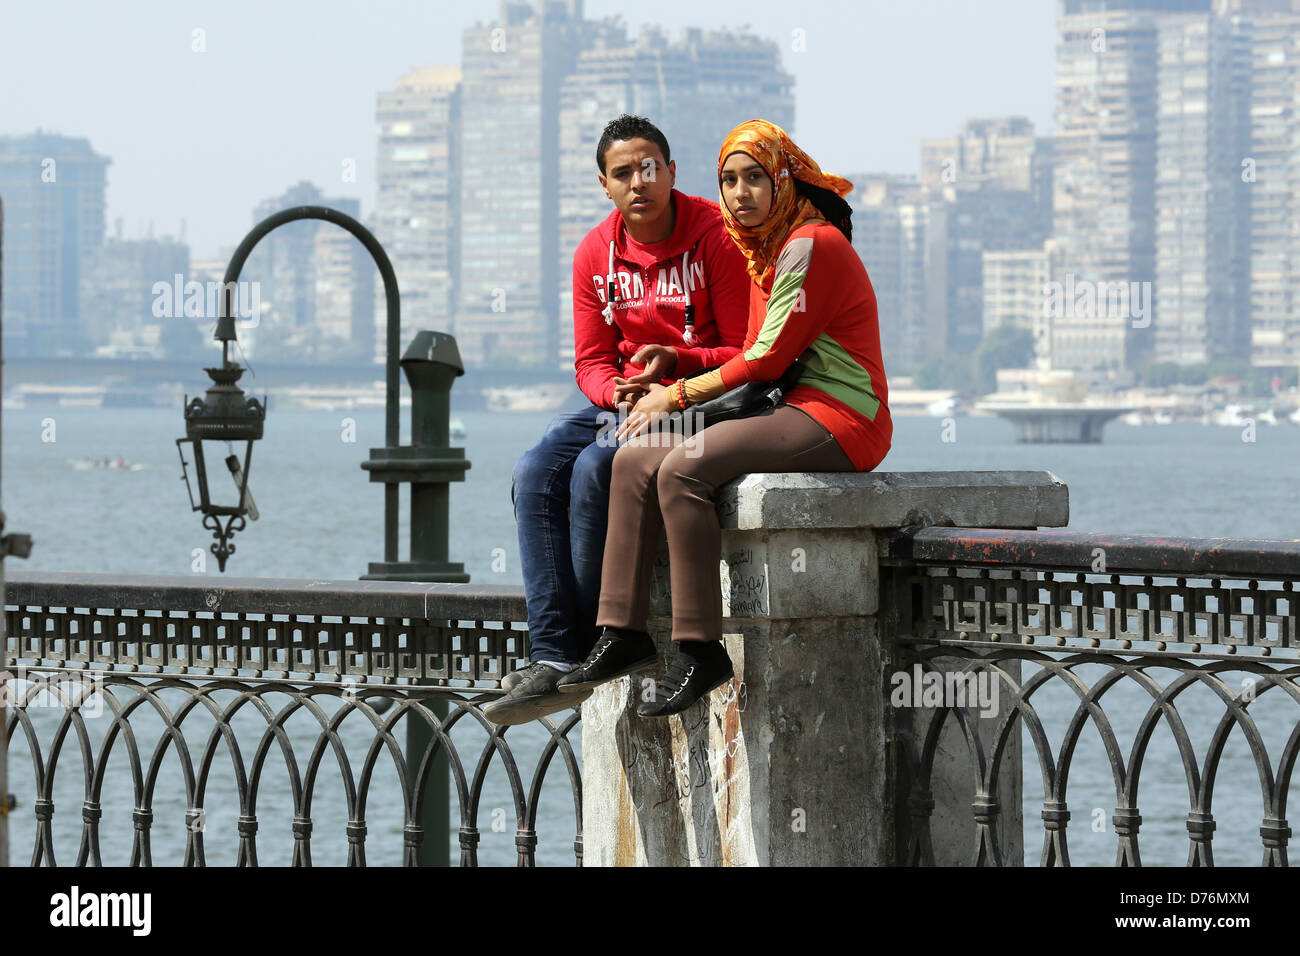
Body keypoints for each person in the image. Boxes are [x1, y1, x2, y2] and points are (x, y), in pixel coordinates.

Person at [555, 119, 893, 717]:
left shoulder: (810, 246)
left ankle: (699, 647)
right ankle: (621, 633)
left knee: (684, 468)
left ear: (784, 179)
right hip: (784, 407)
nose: (740, 194)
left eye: (755, 178)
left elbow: (765, 359)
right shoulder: (761, 249)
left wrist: (675, 394)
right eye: (729, 180)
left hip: (842, 415)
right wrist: (677, 357)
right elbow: (748, 350)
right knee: (634, 458)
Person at [484, 115, 750, 726]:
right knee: (535, 470)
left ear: (672, 172)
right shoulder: (594, 253)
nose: (639, 182)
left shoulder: (716, 236)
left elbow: (742, 351)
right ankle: (552, 655)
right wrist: (619, 394)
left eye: (649, 167)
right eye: (623, 172)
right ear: (604, 185)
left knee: (597, 468)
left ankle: (591, 646)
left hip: (698, 397)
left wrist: (673, 374)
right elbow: (591, 361)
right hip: (624, 400)